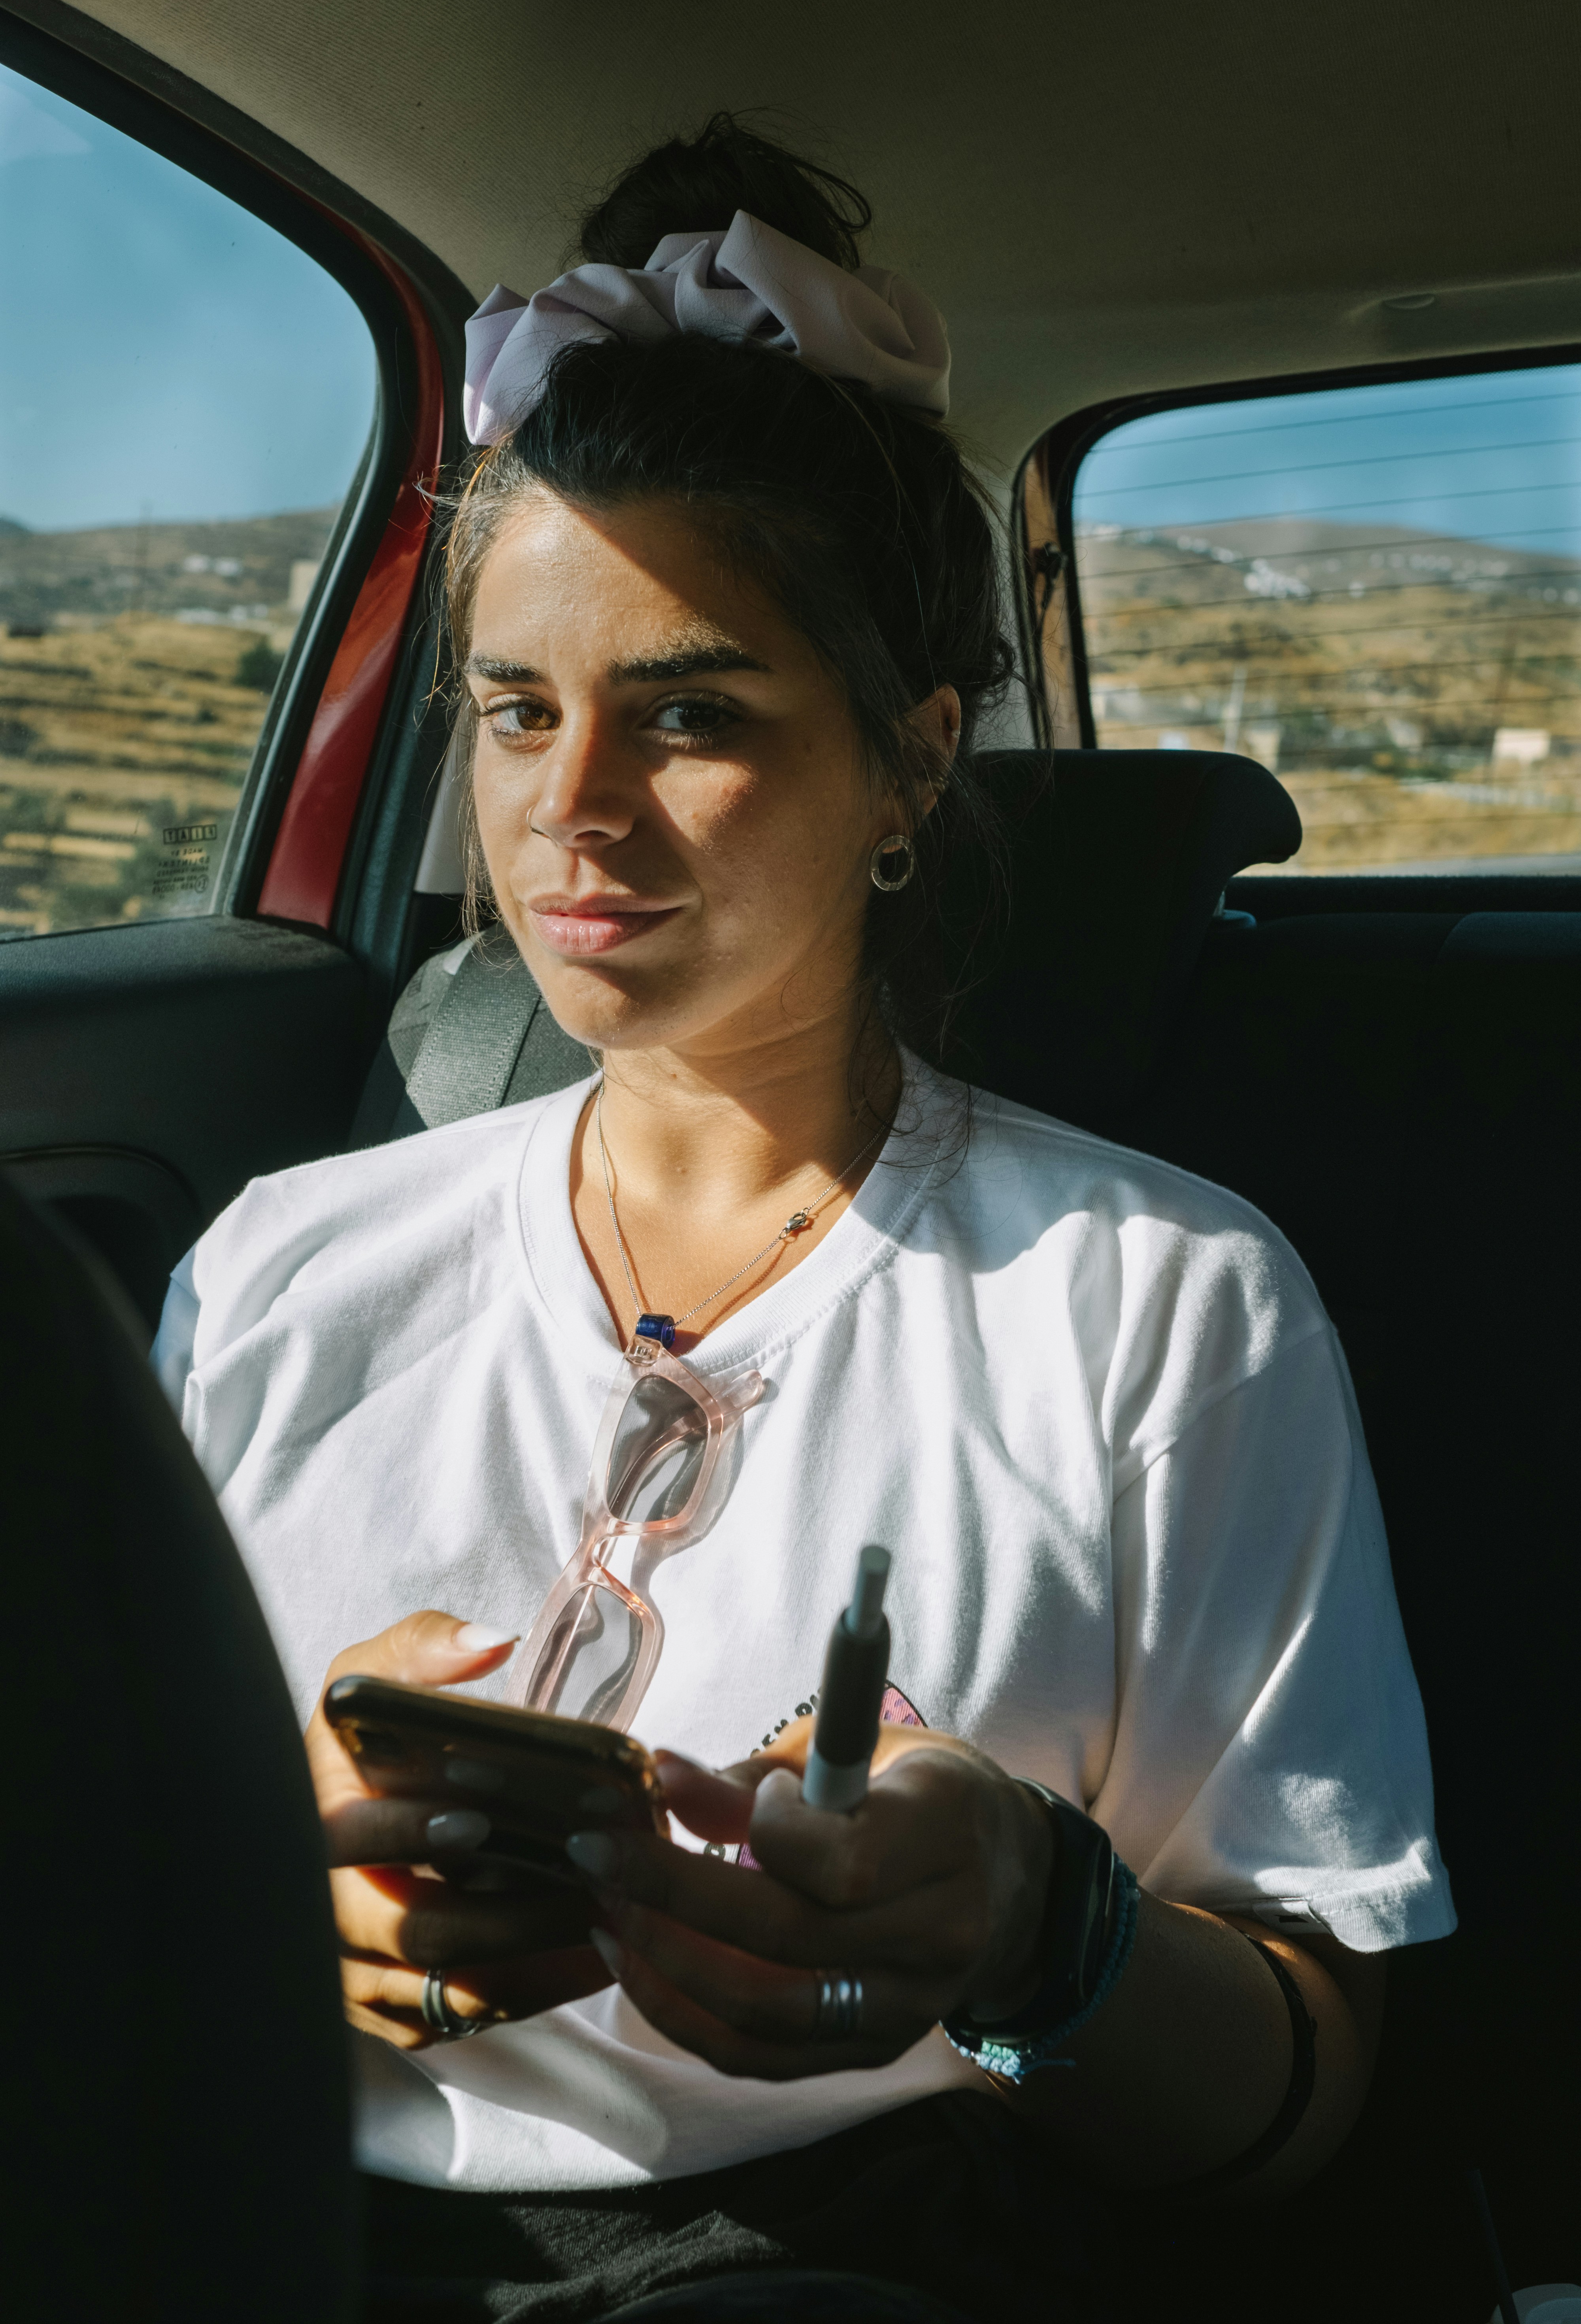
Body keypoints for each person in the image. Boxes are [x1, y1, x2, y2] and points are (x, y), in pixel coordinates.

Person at [154, 115, 1454, 2322]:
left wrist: (1033, 1934)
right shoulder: (282, 1266)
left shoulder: (1162, 1306)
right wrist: (264, 1890)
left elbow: (1298, 2098)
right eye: (518, 710)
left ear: (914, 759)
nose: (569, 811)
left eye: (693, 714)